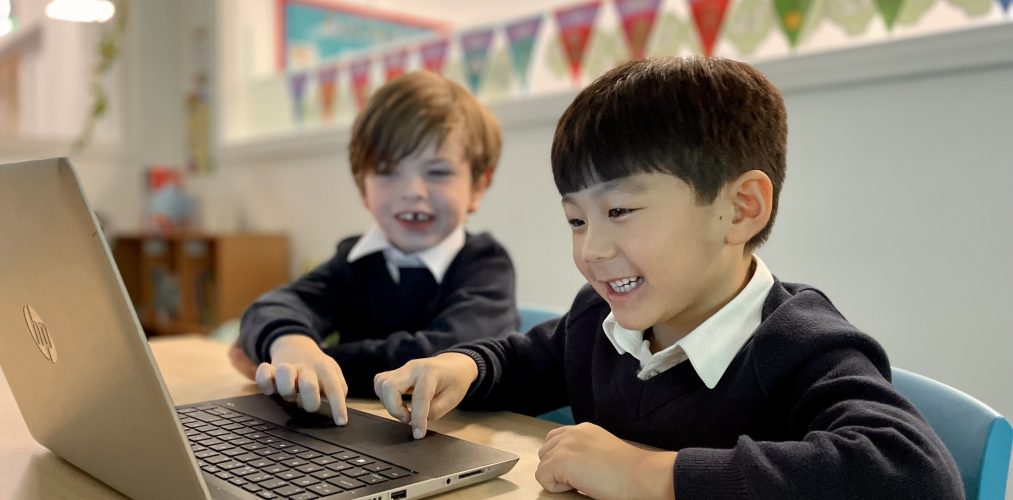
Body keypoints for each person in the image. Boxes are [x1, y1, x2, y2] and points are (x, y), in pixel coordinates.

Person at [372, 58, 963, 499]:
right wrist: (463, 368)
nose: (592, 249)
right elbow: (529, 360)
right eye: (576, 220)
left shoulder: (799, 344)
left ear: (740, 209)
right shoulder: (598, 323)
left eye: (620, 212)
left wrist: (648, 473)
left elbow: (916, 472)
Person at [231, 71, 517, 426]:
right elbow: (271, 307)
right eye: (387, 171)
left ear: (478, 185)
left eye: (438, 172)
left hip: (463, 438)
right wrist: (291, 347)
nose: (412, 190)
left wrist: (323, 363)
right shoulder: (355, 262)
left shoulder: (485, 265)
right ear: (362, 187)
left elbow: (443, 355)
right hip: (361, 436)